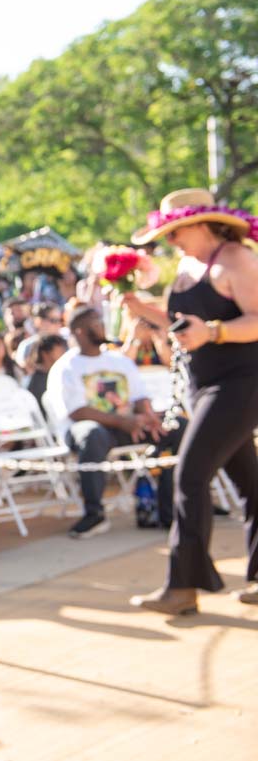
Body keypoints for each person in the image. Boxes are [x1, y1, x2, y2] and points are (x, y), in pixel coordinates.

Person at [122, 189, 258, 614]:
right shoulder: (186, 264)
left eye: (176, 230)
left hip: (240, 385)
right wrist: (143, 310)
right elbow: (185, 327)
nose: (171, 240)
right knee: (253, 486)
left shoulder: (237, 259)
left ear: (201, 224)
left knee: (190, 476)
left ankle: (183, 586)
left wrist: (214, 332)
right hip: (206, 386)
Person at [45, 307, 183, 539]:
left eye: (101, 320)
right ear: (79, 331)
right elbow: (77, 412)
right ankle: (94, 514)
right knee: (93, 434)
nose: (101, 325)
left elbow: (139, 396)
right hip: (87, 429)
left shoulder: (119, 361)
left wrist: (147, 416)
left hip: (128, 425)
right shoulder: (66, 367)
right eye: (95, 322)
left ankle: (168, 509)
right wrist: (123, 421)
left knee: (177, 428)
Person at [22, 334, 68, 417]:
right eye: (59, 347)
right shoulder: (36, 382)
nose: (64, 351)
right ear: (45, 353)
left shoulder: (61, 374)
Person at [14, 303, 64, 367]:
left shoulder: (67, 340)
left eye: (61, 320)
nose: (59, 324)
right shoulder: (26, 346)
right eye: (54, 320)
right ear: (38, 321)